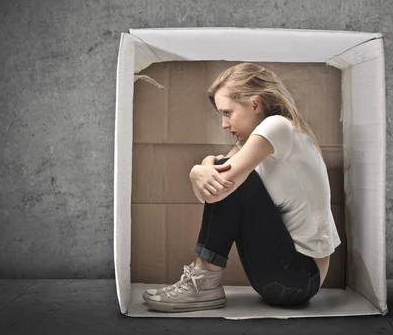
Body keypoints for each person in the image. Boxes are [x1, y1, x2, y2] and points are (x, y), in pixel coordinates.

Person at [143, 63, 341, 313]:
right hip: (281, 277)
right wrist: (201, 170)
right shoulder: (250, 143)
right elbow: (210, 198)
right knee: (229, 176)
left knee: (230, 176)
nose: (224, 124)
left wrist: (199, 169)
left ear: (255, 105)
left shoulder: (278, 126)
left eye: (227, 112)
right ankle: (202, 282)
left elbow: (220, 186)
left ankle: (203, 283)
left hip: (299, 278)